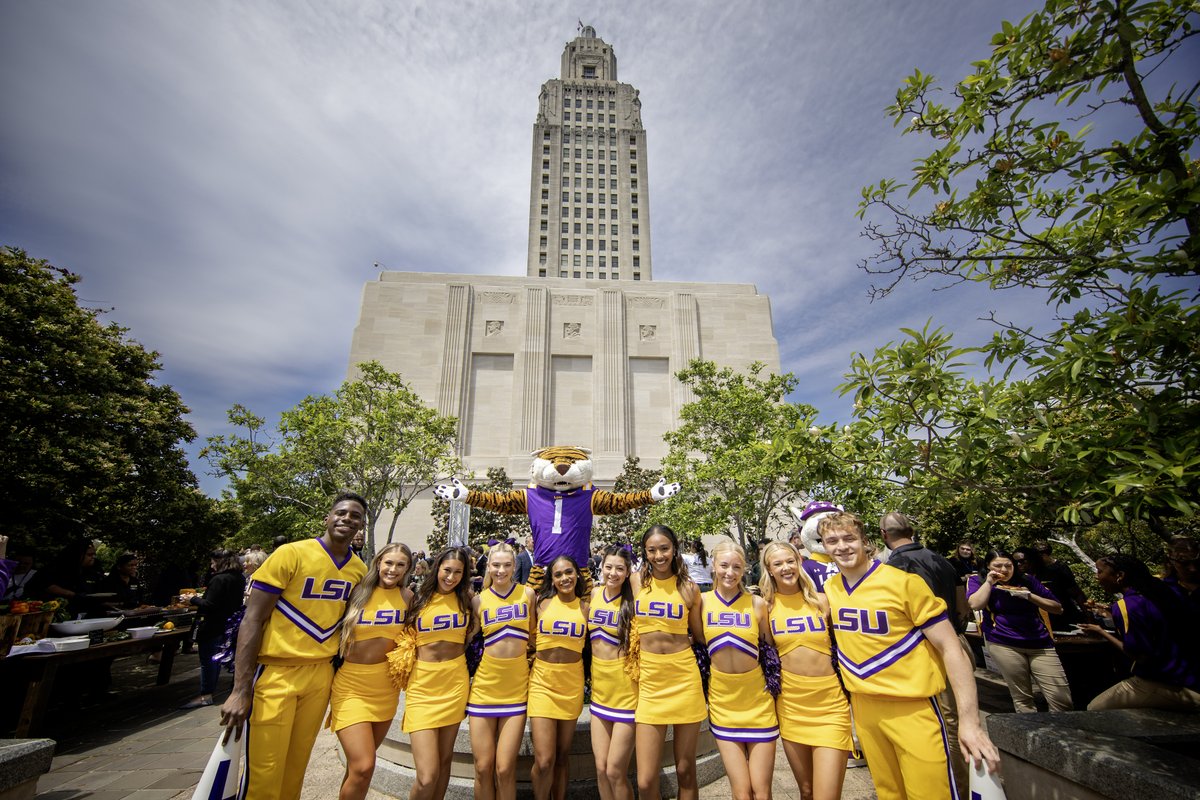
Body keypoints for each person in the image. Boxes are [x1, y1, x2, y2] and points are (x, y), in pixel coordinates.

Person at [819, 512, 999, 800]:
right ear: (824, 547)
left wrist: (970, 722)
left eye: (849, 538)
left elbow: (951, 648)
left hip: (913, 708)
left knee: (931, 793)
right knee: (889, 793)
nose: (842, 546)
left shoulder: (904, 583)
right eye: (832, 541)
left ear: (866, 542)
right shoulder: (831, 589)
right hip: (864, 709)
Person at [218, 491, 369, 800]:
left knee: (296, 767)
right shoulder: (291, 553)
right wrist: (240, 689)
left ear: (361, 526)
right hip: (276, 672)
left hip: (320, 674)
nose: (347, 519)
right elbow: (252, 620)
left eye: (355, 516)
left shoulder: (359, 571)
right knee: (264, 773)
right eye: (341, 512)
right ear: (327, 517)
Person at [879, 512, 972, 796]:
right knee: (957, 718)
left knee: (942, 721)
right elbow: (962, 603)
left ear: (883, 535)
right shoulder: (942, 560)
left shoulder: (896, 565)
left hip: (924, 649)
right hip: (955, 640)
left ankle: (953, 784)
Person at [760, 541, 851, 800]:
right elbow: (765, 655)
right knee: (807, 791)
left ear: (799, 562)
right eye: (778, 563)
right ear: (769, 569)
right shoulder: (765, 607)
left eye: (790, 561)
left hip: (831, 705)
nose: (786, 568)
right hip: (791, 706)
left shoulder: (822, 601)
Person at [330, 543, 413, 800]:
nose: (393, 569)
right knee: (364, 765)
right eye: (389, 563)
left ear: (408, 568)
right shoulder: (356, 593)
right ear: (378, 562)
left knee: (359, 769)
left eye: (400, 565)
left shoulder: (408, 598)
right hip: (351, 685)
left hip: (385, 688)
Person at [632, 525, 705, 800]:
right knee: (645, 779)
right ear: (645, 552)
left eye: (664, 548)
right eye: (652, 550)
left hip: (684, 678)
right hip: (650, 681)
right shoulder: (635, 582)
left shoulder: (689, 589)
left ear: (674, 549)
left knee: (686, 770)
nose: (658, 555)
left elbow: (698, 636)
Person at [702, 540, 778, 800]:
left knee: (761, 791)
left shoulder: (757, 604)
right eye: (724, 565)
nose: (729, 573)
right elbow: (699, 643)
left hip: (757, 700)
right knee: (742, 792)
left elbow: (769, 649)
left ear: (744, 569)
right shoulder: (701, 603)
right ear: (714, 566)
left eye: (736, 567)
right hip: (723, 701)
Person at [1079, 554, 1200, 711]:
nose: (1097, 577)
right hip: (1191, 676)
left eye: (1100, 571)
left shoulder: (1127, 606)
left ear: (1119, 576)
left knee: (1094, 710)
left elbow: (1139, 655)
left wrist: (1101, 632)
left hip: (1164, 681)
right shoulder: (1164, 591)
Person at [402, 546, 474, 800]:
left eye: (457, 572)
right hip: (422, 685)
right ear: (437, 569)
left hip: (454, 682)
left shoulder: (467, 598)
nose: (451, 577)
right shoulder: (416, 596)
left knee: (444, 762)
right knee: (427, 774)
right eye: (447, 570)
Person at [468, 543, 536, 800]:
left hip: (516, 688)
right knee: (483, 767)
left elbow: (534, 637)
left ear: (514, 566)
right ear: (488, 566)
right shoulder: (478, 600)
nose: (501, 570)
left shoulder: (528, 594)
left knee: (505, 768)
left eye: (507, 565)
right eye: (496, 565)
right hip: (485, 688)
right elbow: (468, 638)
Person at [967, 550, 1072, 713]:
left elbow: (1057, 608)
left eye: (1008, 565)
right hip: (1003, 642)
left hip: (1039, 641)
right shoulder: (978, 581)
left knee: (1061, 699)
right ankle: (1029, 734)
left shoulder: (1027, 580)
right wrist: (989, 583)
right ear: (988, 566)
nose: (1003, 570)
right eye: (997, 565)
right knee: (1023, 699)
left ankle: (1063, 732)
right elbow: (975, 604)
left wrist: (1030, 596)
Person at [528, 554, 589, 800]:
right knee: (544, 760)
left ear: (577, 574)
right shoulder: (540, 603)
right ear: (552, 580)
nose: (565, 578)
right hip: (543, 682)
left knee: (562, 757)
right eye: (559, 574)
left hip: (571, 683)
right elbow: (529, 638)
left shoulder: (587, 608)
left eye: (569, 572)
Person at [588, 543, 639, 800]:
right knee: (600, 768)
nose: (613, 573)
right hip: (599, 692)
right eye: (608, 567)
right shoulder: (592, 595)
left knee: (615, 770)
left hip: (626, 693)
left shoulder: (633, 600)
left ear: (629, 571)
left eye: (620, 568)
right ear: (601, 567)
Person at [180, 549, 247, 709]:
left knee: (208, 660)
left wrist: (192, 599)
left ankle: (206, 694)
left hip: (212, 624)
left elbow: (210, 605)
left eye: (212, 562)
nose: (211, 566)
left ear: (220, 561)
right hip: (230, 623)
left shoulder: (218, 579)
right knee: (219, 658)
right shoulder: (239, 578)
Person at [29, 539, 101, 617]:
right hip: (50, 614)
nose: (93, 557)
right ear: (78, 555)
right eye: (89, 555)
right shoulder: (55, 568)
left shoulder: (91, 571)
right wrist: (72, 594)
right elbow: (43, 584)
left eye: (94, 554)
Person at [1028, 541, 1087, 629]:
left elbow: (1076, 593)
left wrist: (1088, 615)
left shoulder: (1060, 568)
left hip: (1064, 614)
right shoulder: (1034, 570)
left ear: (1043, 555)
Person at [1162, 536, 1198, 612]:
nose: (1193, 569)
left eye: (1197, 562)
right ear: (1171, 561)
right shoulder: (1164, 588)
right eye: (1184, 563)